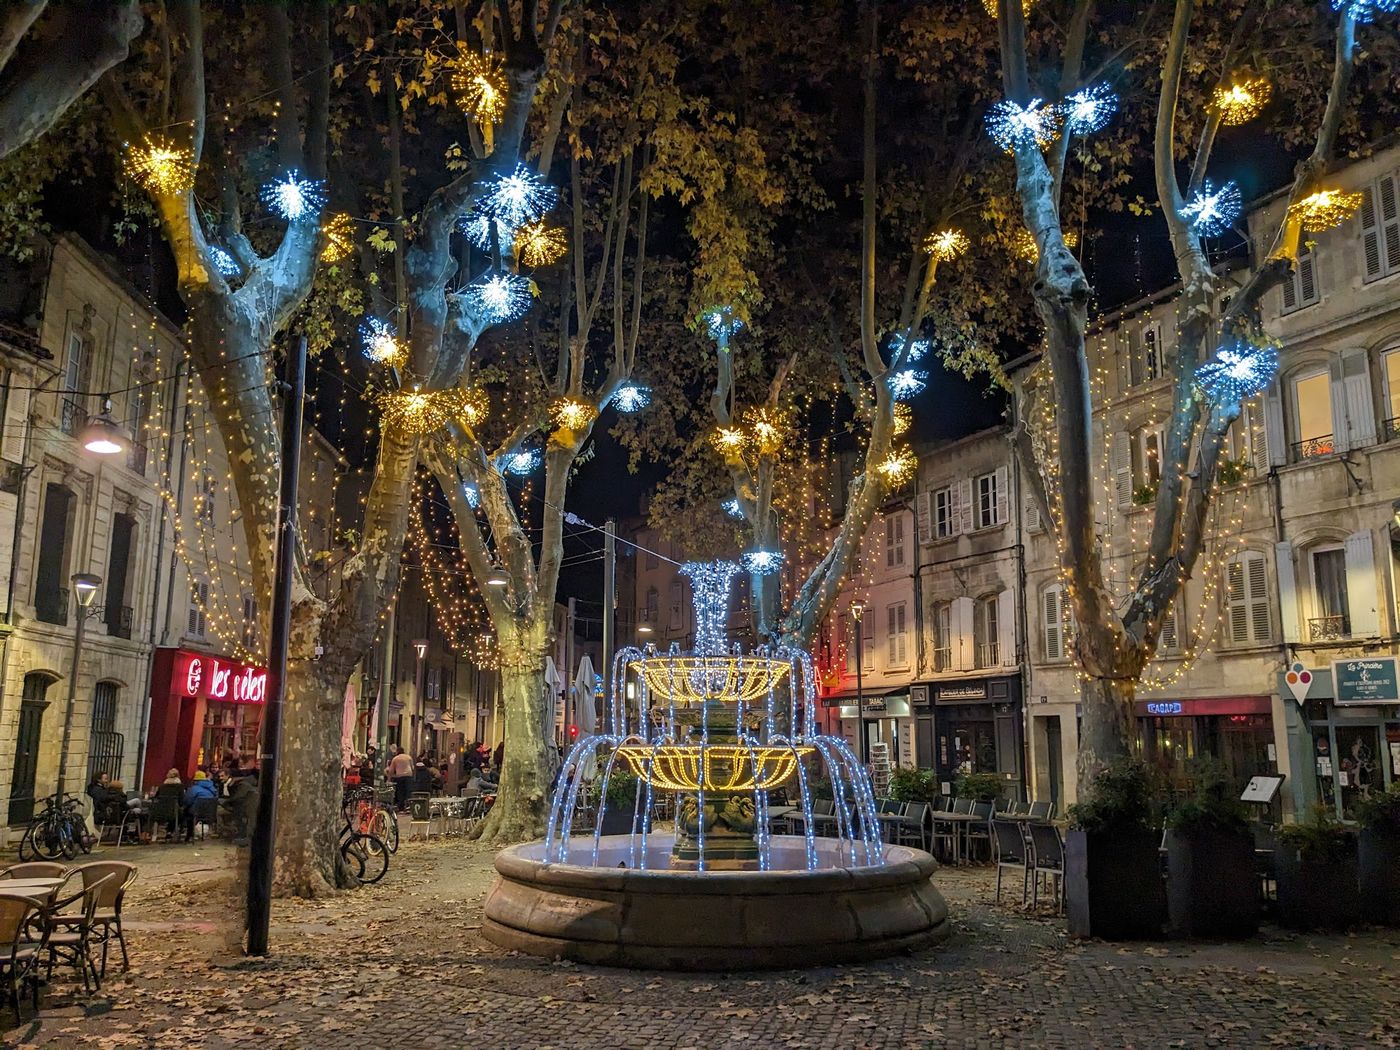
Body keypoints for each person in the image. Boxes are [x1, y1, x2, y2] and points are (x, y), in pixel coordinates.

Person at [182, 770, 219, 841]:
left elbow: (187, 800)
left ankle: (189, 834)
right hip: (209, 812)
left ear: (195, 780)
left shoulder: (194, 789)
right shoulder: (212, 788)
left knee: (186, 813)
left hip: (196, 812)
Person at [154, 768, 185, 840]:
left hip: (160, 812)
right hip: (174, 812)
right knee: (182, 813)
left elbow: (156, 797)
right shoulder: (180, 787)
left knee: (173, 812)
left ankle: (157, 833)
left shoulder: (162, 786)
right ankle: (175, 831)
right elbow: (181, 801)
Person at [386, 745, 414, 811]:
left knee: (400, 791)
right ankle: (409, 805)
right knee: (408, 791)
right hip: (409, 775)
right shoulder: (408, 757)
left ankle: (401, 806)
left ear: (397, 751)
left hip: (400, 776)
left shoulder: (395, 758)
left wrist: (389, 779)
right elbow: (412, 767)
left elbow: (391, 770)